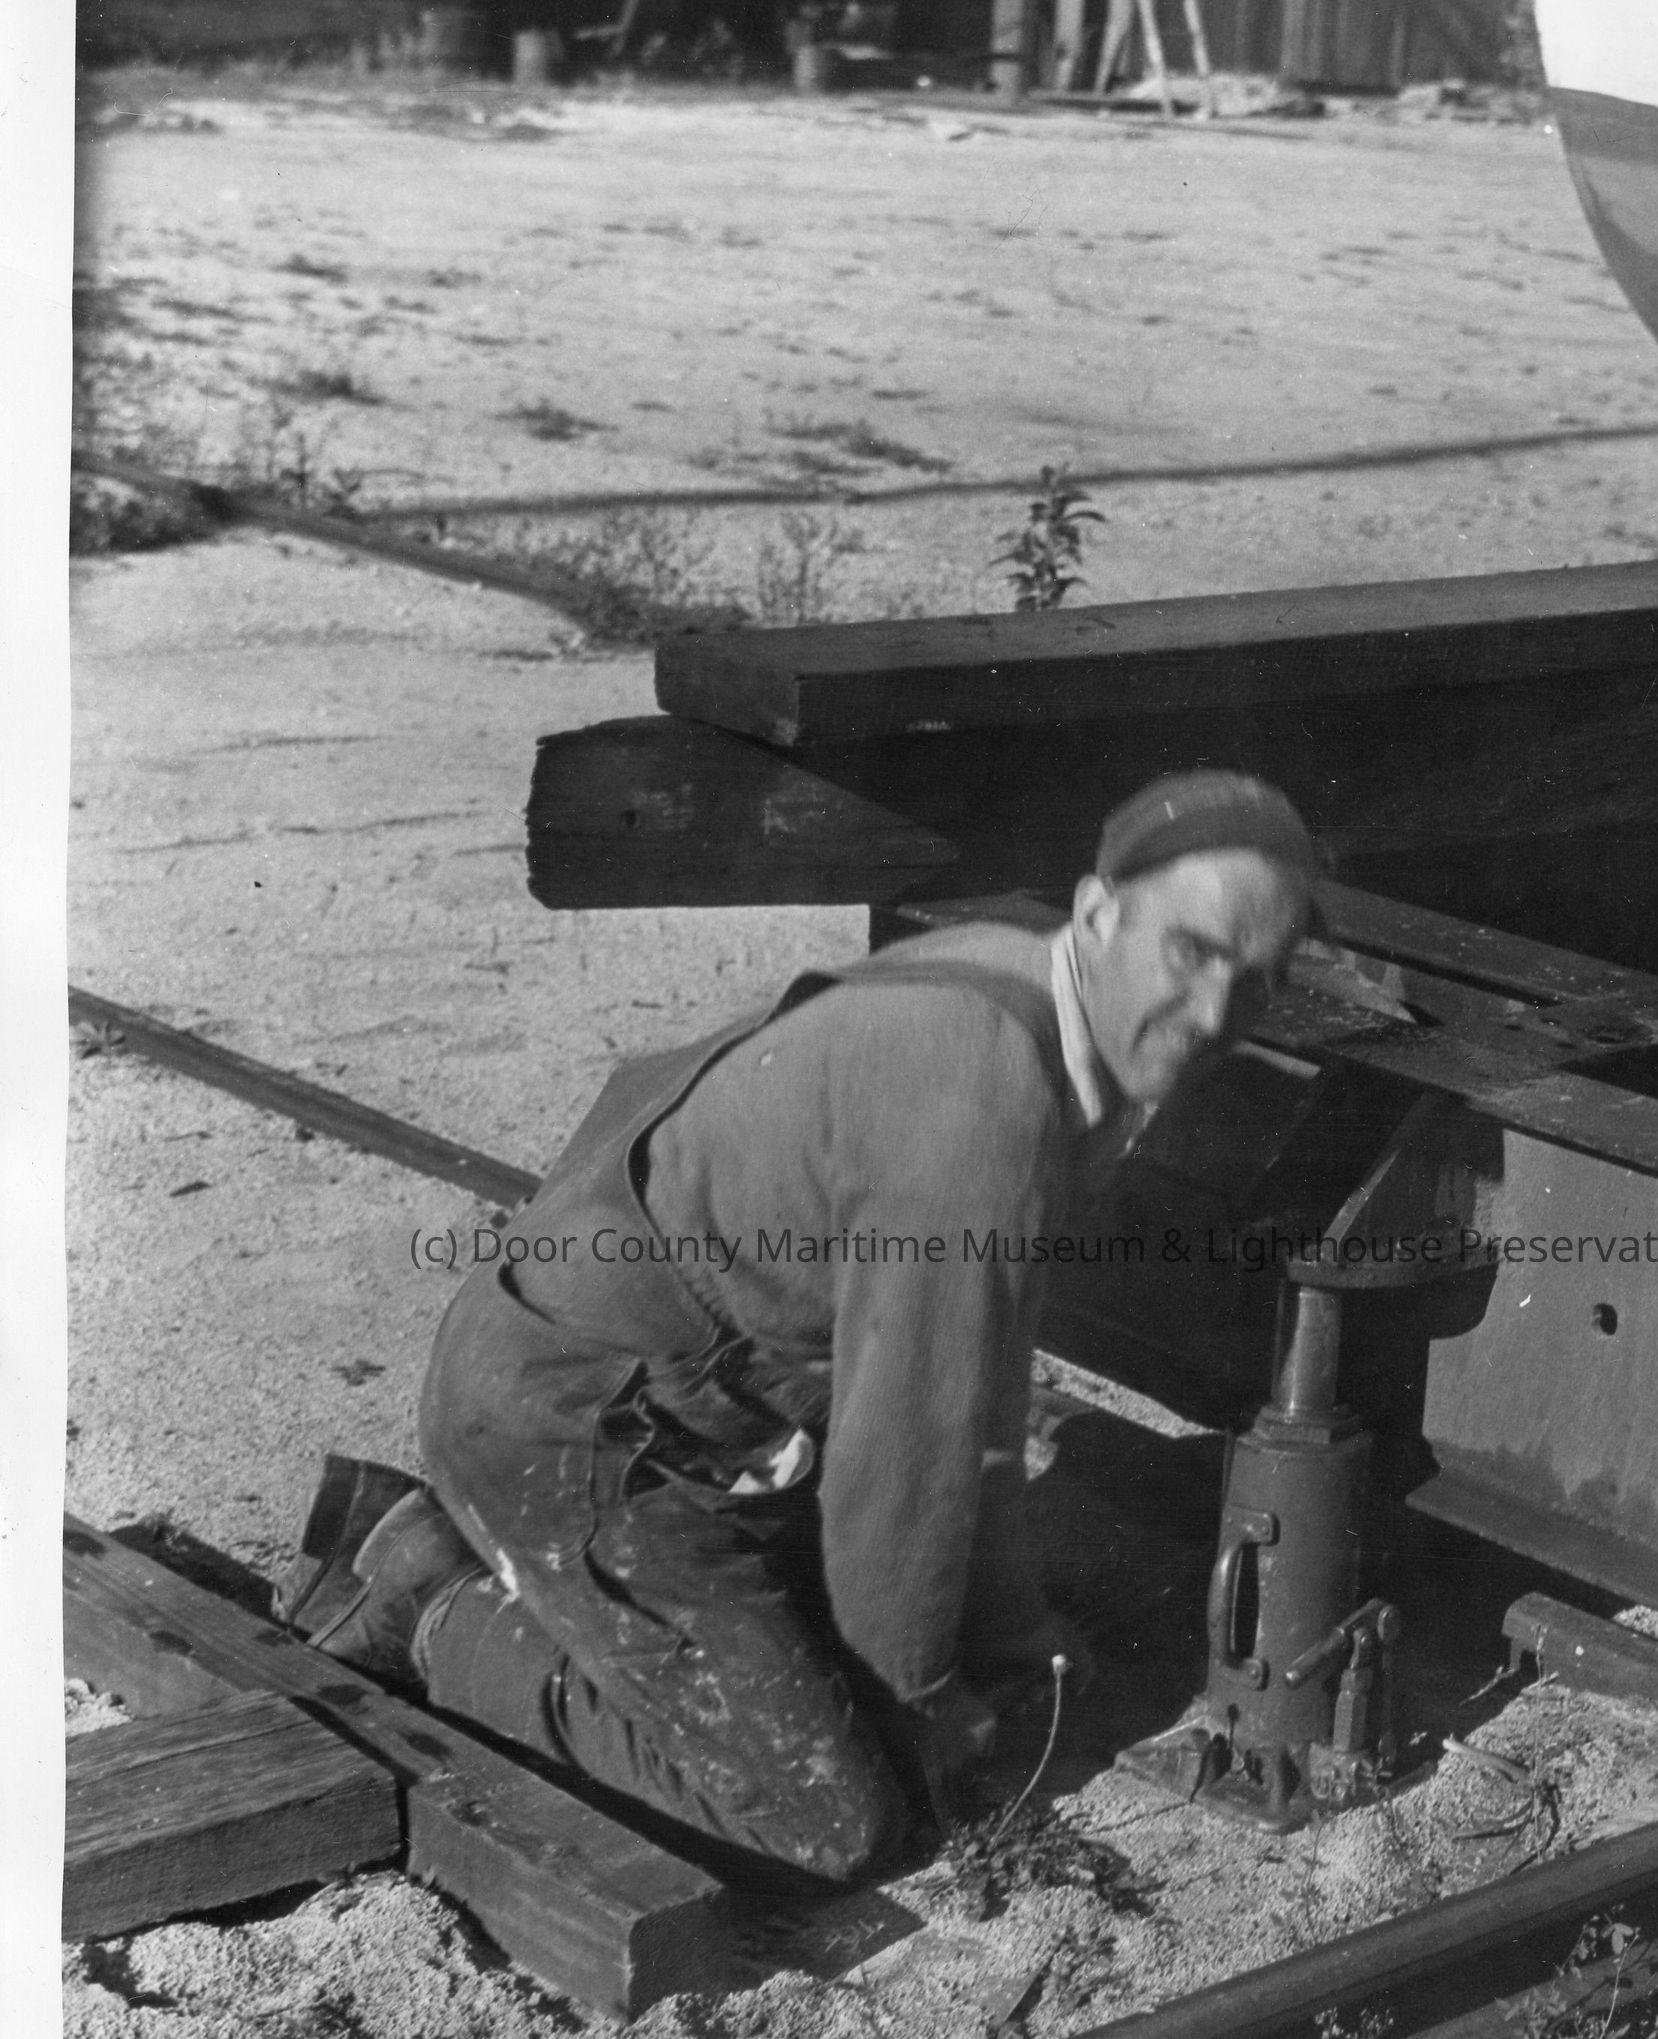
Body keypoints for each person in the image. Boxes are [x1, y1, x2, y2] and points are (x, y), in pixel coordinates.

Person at [279, 772, 1318, 1885]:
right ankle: (430, 1594)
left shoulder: (1021, 985)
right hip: (573, 1424)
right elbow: (904, 1457)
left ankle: (515, 1558)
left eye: (1253, 982)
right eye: (1190, 952)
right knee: (829, 1816)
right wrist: (924, 1701)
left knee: (858, 1667)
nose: (1213, 1012)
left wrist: (1008, 1632)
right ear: (1100, 914)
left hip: (649, 1387)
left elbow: (975, 1398)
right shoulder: (975, 1103)